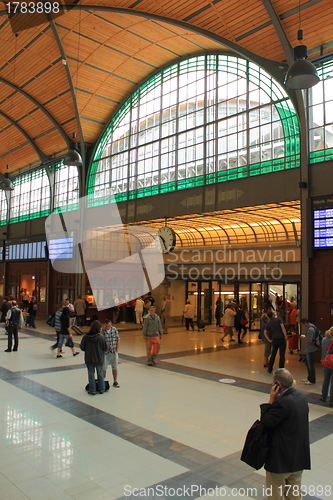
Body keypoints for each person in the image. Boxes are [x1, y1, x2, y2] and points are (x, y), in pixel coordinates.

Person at [260, 368, 311, 500]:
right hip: (298, 457)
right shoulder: (301, 397)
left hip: (280, 460)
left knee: (275, 495)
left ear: (279, 385)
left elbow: (266, 422)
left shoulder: (281, 403)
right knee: (294, 495)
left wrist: (271, 400)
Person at [80, 320, 107, 394]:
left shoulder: (86, 337)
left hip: (89, 358)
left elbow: (82, 347)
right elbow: (105, 348)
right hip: (99, 358)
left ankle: (92, 389)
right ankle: (102, 388)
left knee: (91, 374)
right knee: (100, 373)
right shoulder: (101, 337)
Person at [102, 319, 120, 387]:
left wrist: (117, 350)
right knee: (104, 367)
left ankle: (115, 380)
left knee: (115, 366)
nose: (107, 328)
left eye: (109, 326)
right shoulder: (102, 331)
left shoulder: (114, 330)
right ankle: (103, 381)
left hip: (113, 351)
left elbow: (118, 339)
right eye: (106, 326)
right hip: (105, 352)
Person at [300, 318, 318, 385]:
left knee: (310, 364)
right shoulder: (313, 327)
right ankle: (309, 377)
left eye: (303, 324)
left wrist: (303, 338)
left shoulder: (310, 329)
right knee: (307, 363)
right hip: (312, 348)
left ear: (305, 323)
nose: (303, 326)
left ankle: (312, 380)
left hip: (310, 348)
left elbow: (310, 340)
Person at [320, 327, 333, 406]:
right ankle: (332, 400)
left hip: (327, 361)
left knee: (326, 379)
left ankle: (323, 396)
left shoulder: (324, 340)